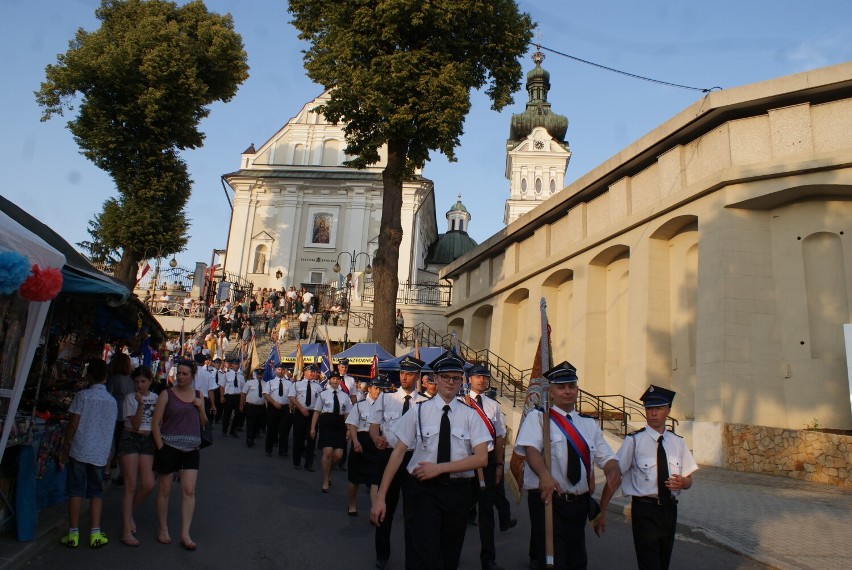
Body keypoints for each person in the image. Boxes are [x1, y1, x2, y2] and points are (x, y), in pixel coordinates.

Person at [370, 351, 490, 570]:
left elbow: (481, 458)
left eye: (456, 378)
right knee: (425, 555)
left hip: (457, 492)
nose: (450, 382)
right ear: (435, 378)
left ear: (462, 380)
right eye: (445, 377)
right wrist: (381, 497)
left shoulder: (471, 415)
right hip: (422, 490)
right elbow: (397, 454)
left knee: (449, 556)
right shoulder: (418, 412)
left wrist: (440, 468)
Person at [515, 361, 622, 570]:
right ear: (551, 392)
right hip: (549, 501)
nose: (567, 392)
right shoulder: (539, 418)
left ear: (577, 389)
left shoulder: (588, 424)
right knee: (554, 560)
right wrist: (545, 474)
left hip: (578, 504)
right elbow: (531, 451)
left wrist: (612, 470)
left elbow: (607, 457)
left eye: (571, 386)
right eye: (561, 387)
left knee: (577, 560)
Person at [599, 385, 698, 570]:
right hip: (645, 510)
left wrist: (685, 483)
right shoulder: (634, 441)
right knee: (649, 564)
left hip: (669, 510)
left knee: (663, 563)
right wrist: (601, 512)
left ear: (668, 410)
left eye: (658, 408)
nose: (653, 413)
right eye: (649, 408)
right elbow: (614, 477)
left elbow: (689, 479)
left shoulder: (677, 442)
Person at [367, 355, 425, 570]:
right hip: (389, 456)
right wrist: (376, 438)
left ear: (418, 376)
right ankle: (382, 553)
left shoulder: (424, 403)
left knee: (412, 512)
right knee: (386, 507)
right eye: (402, 373)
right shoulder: (386, 398)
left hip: (413, 459)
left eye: (409, 373)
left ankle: (413, 559)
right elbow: (374, 426)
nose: (404, 377)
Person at [57, 358, 118, 549]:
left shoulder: (82, 396)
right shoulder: (112, 401)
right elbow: (111, 428)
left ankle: (73, 533)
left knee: (75, 490)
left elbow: (73, 424)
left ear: (88, 376)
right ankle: (95, 533)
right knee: (96, 492)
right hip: (100, 452)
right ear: (106, 377)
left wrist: (65, 445)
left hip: (79, 449)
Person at [151, 358, 208, 550]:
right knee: (165, 490)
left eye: (185, 374)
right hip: (169, 447)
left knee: (189, 490)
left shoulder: (198, 395)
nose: (180, 377)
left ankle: (185, 533)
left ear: (192, 376)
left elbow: (204, 423)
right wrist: (161, 448)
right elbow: (155, 423)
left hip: (191, 450)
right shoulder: (167, 394)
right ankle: (163, 528)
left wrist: (200, 407)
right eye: (179, 373)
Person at [464, 364, 509, 570]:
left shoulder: (493, 405)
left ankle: (488, 559)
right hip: (465, 460)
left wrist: (499, 464)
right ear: (469, 379)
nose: (481, 380)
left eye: (484, 376)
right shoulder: (460, 402)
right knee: (457, 510)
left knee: (487, 512)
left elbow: (500, 436)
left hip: (489, 461)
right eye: (477, 376)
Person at [116, 366, 158, 546]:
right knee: (131, 484)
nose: (139, 385)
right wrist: (141, 404)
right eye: (136, 381)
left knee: (149, 483)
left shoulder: (155, 398)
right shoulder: (129, 398)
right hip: (131, 437)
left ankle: (129, 513)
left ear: (150, 382)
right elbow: (135, 423)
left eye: (143, 381)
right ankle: (126, 531)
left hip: (148, 440)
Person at [345, 376, 385, 516]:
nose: (378, 391)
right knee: (354, 479)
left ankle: (374, 511)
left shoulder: (385, 407)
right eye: (376, 388)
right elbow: (353, 425)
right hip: (361, 442)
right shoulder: (359, 405)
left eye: (381, 388)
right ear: (369, 389)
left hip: (377, 444)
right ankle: (352, 504)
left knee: (375, 479)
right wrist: (355, 442)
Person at [310, 371, 352, 492]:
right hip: (326, 423)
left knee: (338, 455)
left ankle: (329, 471)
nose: (335, 381)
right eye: (333, 379)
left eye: (337, 379)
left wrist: (348, 429)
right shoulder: (323, 395)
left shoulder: (345, 396)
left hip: (340, 425)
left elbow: (346, 413)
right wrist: (313, 428)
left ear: (340, 381)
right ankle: (325, 479)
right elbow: (317, 411)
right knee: (327, 452)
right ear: (329, 380)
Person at [106, 352, 134, 482]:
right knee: (120, 440)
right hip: (126, 412)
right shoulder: (129, 378)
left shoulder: (115, 378)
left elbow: (108, 395)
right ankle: (118, 465)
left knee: (111, 439)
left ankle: (107, 467)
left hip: (115, 412)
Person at [289, 363, 321, 471]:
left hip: (312, 414)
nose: (313, 373)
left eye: (314, 371)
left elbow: (320, 401)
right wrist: (301, 408)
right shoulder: (297, 385)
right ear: (304, 373)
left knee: (311, 439)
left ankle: (309, 463)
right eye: (310, 371)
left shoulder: (318, 386)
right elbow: (291, 397)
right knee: (298, 437)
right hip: (300, 412)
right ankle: (296, 461)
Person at [264, 363, 293, 458]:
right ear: (275, 370)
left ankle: (283, 451)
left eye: (282, 370)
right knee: (271, 429)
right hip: (273, 407)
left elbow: (292, 395)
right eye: (279, 369)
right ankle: (269, 449)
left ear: (285, 371)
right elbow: (266, 394)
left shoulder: (289, 383)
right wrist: (273, 402)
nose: (280, 371)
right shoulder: (270, 382)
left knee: (284, 431)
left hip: (284, 408)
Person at [240, 367, 268, 448]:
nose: (260, 376)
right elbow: (243, 394)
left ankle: (253, 436)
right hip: (251, 406)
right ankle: (249, 439)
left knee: (257, 423)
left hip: (261, 407)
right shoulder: (249, 383)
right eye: (258, 374)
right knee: (250, 423)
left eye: (261, 374)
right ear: (256, 374)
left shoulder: (266, 384)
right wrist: (241, 405)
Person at [220, 357, 244, 438]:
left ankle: (233, 430)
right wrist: (222, 396)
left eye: (238, 364)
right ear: (232, 365)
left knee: (238, 414)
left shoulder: (241, 376)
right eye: (235, 364)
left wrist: (242, 402)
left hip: (237, 397)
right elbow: (222, 386)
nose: (237, 366)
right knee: (227, 414)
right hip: (229, 397)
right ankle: (224, 430)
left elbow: (243, 390)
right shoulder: (226, 374)